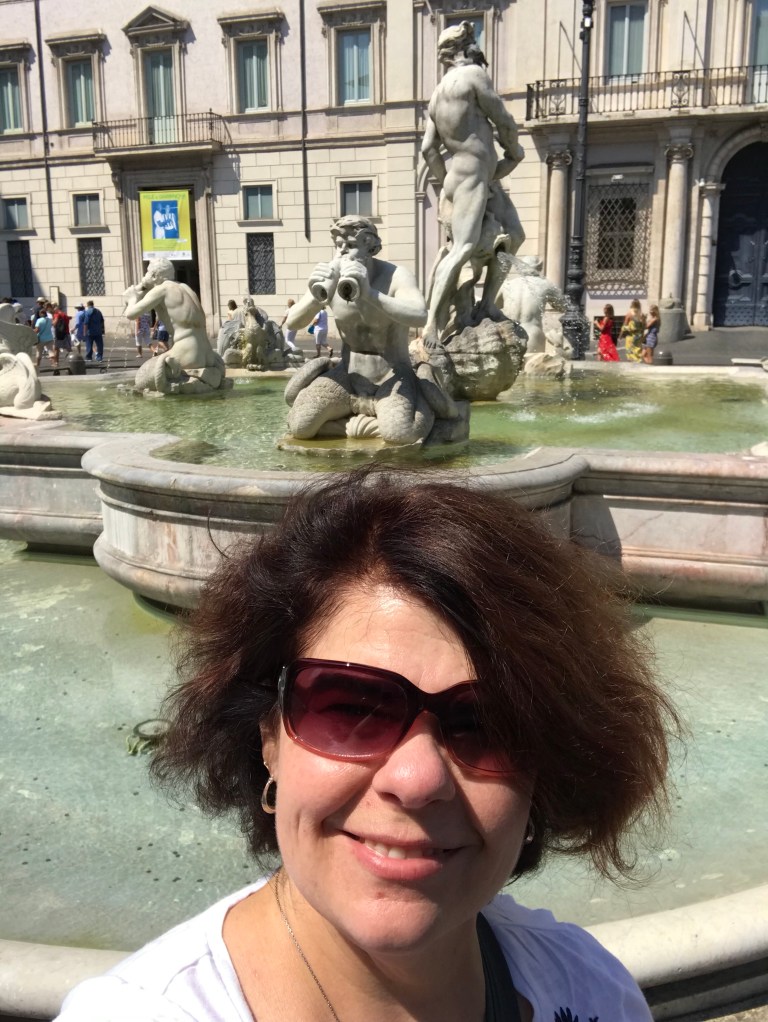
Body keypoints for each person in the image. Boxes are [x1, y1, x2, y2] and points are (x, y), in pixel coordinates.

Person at [56, 468, 678, 1022]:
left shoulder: (592, 992)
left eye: (487, 724)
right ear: (268, 737)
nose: (417, 779)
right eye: (351, 707)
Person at [420, 20, 525, 347]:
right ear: (463, 49)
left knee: (515, 235)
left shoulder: (437, 95)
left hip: (470, 177)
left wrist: (446, 183)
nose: (476, 47)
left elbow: (428, 149)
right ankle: (430, 326)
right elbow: (502, 118)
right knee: (462, 249)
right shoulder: (473, 76)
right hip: (474, 176)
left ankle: (487, 304)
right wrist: (514, 148)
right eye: (471, 41)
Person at [51, 305, 72, 371]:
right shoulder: (64, 314)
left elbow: (54, 323)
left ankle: (56, 363)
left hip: (59, 333)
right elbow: (69, 319)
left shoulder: (57, 314)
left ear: (56, 309)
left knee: (56, 349)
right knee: (69, 348)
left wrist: (51, 322)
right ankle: (72, 361)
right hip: (66, 333)